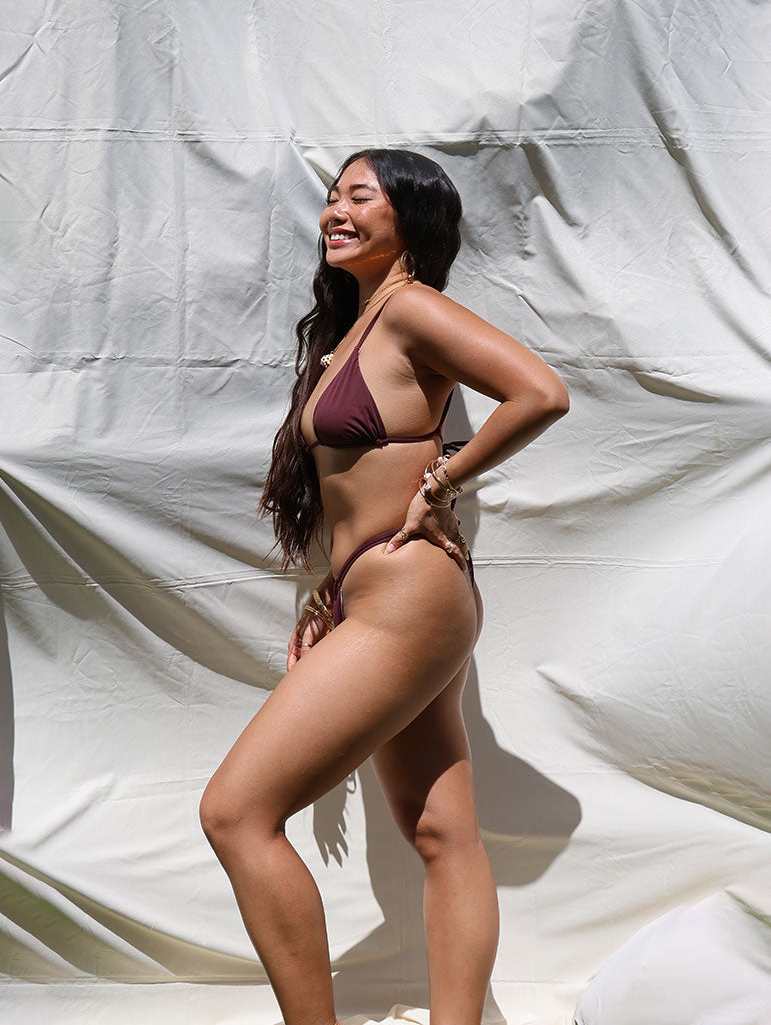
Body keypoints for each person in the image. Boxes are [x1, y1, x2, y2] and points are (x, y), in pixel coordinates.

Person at [199, 148, 570, 1025]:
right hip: (387, 594)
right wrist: (332, 588)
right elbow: (357, 489)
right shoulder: (360, 326)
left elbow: (539, 392)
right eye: (332, 196)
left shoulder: (413, 311)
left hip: (410, 599)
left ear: (410, 218)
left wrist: (440, 484)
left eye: (360, 197)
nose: (336, 210)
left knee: (235, 813)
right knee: (443, 835)